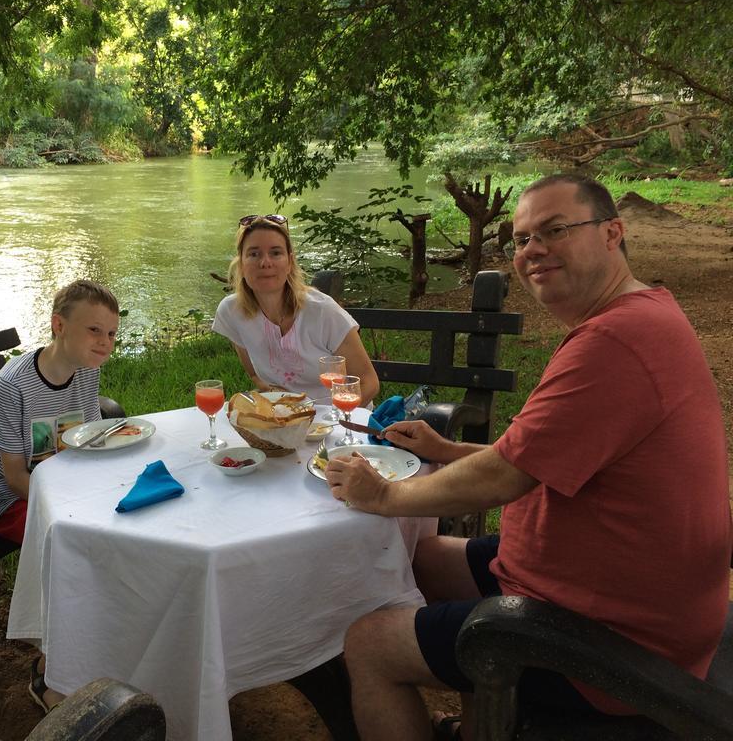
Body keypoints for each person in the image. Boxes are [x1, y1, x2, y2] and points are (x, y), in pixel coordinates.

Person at [324, 174, 731, 741]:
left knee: (366, 643)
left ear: (613, 232)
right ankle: (483, 725)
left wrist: (384, 495)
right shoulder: (641, 316)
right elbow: (535, 454)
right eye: (519, 239)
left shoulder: (615, 342)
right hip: (585, 580)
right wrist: (447, 450)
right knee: (418, 557)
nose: (532, 250)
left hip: (617, 637)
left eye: (554, 230)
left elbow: (501, 478)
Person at [0, 279, 119, 713]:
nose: (104, 343)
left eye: (110, 333)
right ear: (59, 325)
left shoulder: (87, 370)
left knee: (122, 528)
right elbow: (13, 475)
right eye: (94, 331)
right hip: (9, 497)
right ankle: (48, 673)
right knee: (74, 549)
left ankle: (103, 647)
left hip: (63, 485)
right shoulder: (11, 386)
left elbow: (89, 439)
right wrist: (71, 508)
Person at [212, 213, 380, 405]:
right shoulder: (232, 312)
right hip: (286, 420)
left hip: (342, 420)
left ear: (290, 261)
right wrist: (282, 402)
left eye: (276, 253)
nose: (265, 262)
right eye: (254, 254)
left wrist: (331, 420)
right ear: (241, 263)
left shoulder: (322, 311)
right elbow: (254, 375)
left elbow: (369, 382)